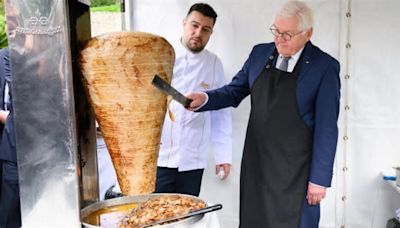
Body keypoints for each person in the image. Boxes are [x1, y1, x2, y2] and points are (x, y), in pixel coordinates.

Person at [187, 1, 340, 227]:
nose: (279, 39)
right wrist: (206, 98)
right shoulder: (260, 53)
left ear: (308, 34)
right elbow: (234, 91)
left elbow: (327, 128)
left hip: (296, 172)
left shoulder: (324, 67)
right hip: (257, 165)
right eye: (276, 31)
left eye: (287, 34)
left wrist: (319, 180)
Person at [155, 3, 232, 197]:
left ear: (211, 33)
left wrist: (223, 155)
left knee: (188, 217)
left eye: (205, 29)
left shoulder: (214, 63)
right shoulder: (161, 55)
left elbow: (220, 111)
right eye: (194, 25)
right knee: (155, 217)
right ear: (184, 23)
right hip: (159, 157)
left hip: (193, 159)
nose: (198, 33)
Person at [0, 47, 21, 228]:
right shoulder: (5, 57)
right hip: (12, 147)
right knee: (9, 213)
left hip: (45, 153)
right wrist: (12, 118)